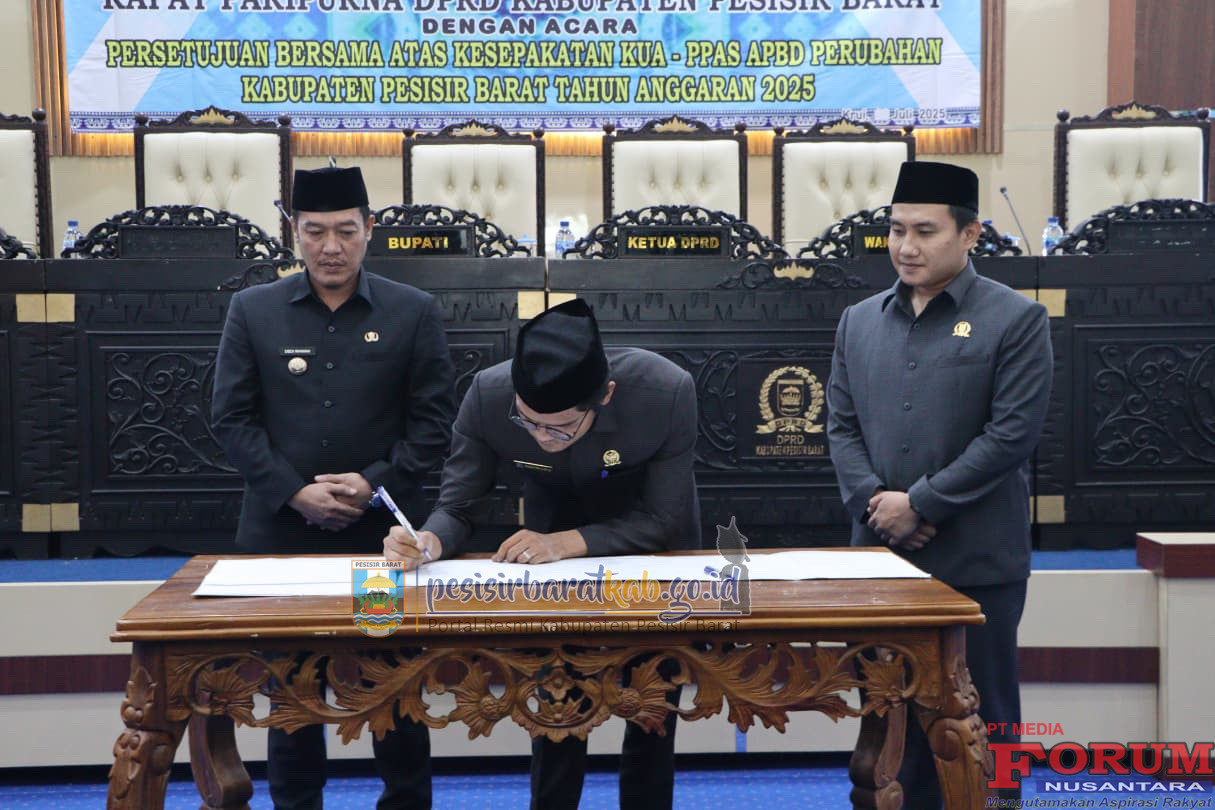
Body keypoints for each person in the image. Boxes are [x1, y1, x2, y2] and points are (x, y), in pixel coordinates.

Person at [384, 297, 701, 810]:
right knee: (555, 706)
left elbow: (664, 519)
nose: (541, 437)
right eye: (528, 423)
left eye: (559, 428)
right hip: (550, 547)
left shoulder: (664, 391)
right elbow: (458, 506)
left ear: (605, 396)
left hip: (646, 549)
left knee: (651, 709)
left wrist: (565, 543)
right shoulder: (488, 394)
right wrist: (426, 542)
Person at [211, 165, 457, 810]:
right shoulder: (253, 310)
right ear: (293, 232)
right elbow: (231, 419)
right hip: (282, 538)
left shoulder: (412, 311)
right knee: (292, 696)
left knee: (392, 688)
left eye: (345, 231)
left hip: (381, 545)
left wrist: (372, 484)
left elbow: (433, 425)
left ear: (369, 229)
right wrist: (295, 492)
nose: (330, 247)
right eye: (315, 231)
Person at [826, 161, 1053, 807]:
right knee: (887, 715)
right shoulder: (858, 320)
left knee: (986, 719)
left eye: (925, 231)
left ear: (970, 234)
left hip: (976, 558)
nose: (906, 246)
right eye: (897, 230)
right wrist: (877, 505)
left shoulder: (1016, 318)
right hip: (881, 557)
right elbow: (840, 426)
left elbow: (1011, 435)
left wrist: (920, 504)